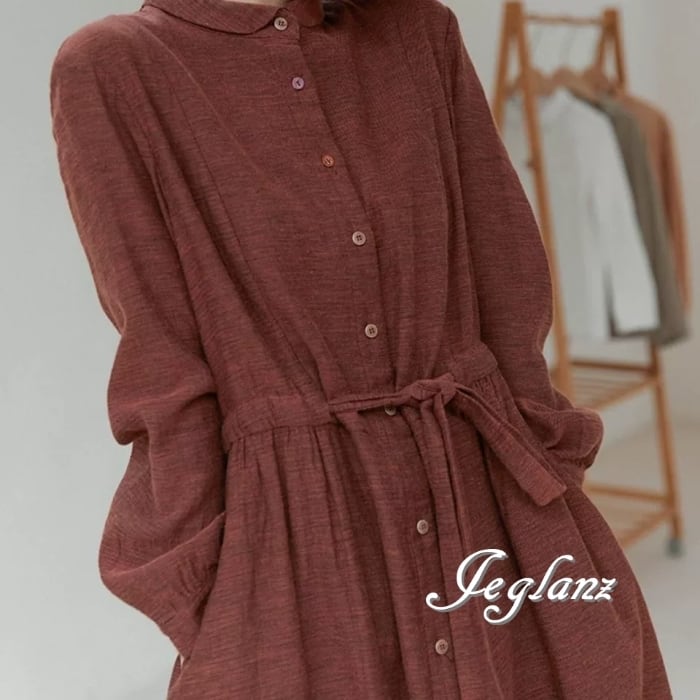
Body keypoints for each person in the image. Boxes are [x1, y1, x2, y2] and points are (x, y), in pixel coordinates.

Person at [49, 0, 672, 697]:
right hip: (292, 532)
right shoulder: (115, 65)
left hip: (489, 496)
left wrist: (546, 460)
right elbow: (161, 359)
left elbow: (506, 270)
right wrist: (210, 586)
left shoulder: (418, 31)